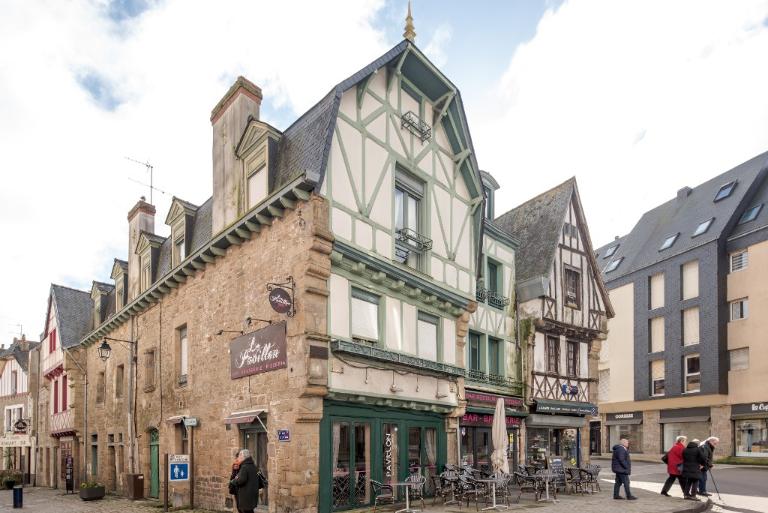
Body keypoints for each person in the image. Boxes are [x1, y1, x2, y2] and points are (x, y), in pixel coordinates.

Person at [230, 449, 264, 513]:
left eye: (239, 456)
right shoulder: (254, 466)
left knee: (245, 511)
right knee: (250, 511)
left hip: (245, 496)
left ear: (243, 457)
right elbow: (260, 479)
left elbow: (240, 480)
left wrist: (233, 481)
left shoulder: (244, 467)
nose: (238, 458)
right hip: (252, 495)